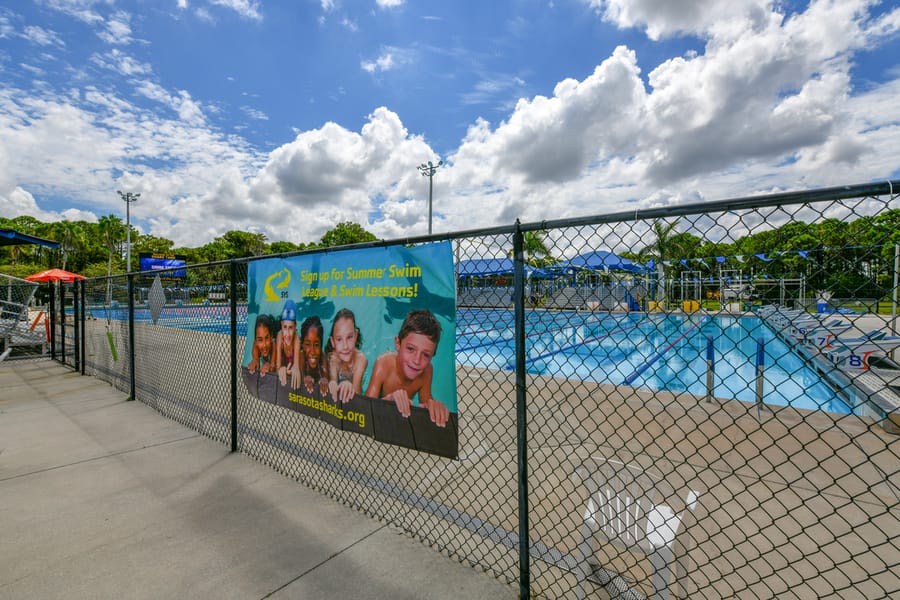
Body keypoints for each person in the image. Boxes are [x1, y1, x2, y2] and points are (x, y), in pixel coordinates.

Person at [365, 309, 450, 427]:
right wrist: (387, 401)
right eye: (410, 349)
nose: (416, 361)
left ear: (432, 356)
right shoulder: (383, 364)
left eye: (426, 355)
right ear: (398, 344)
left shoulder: (427, 371)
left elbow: (426, 401)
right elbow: (366, 406)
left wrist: (433, 406)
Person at [326, 308, 368, 402]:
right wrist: (332, 383)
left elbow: (357, 393)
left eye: (349, 337)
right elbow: (333, 380)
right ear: (333, 342)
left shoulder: (361, 360)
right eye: (339, 339)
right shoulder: (334, 358)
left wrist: (350, 386)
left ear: (356, 335)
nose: (345, 346)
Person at [298, 315, 329, 396]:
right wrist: (305, 377)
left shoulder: (323, 358)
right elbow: (301, 373)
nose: (312, 351)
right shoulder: (300, 357)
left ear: (321, 345)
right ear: (303, 345)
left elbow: (326, 376)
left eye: (316, 345)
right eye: (308, 344)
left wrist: (324, 380)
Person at [275, 299, 301, 387]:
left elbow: (296, 366)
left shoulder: (297, 339)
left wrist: (295, 369)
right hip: (285, 361)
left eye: (291, 327)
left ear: (295, 326)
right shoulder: (279, 336)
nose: (287, 333)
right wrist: (281, 369)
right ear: (281, 324)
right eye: (285, 327)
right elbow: (277, 367)